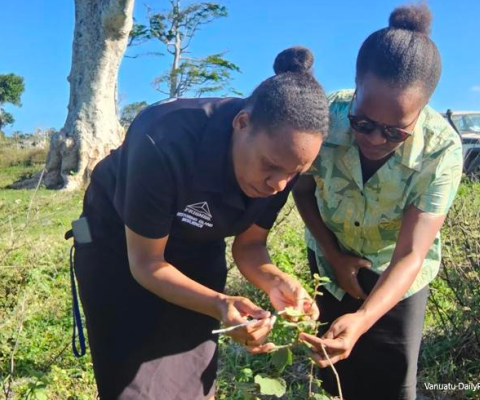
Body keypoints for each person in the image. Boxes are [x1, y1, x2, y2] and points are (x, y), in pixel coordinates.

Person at [72, 46, 329, 400]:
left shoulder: (281, 164)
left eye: (293, 173)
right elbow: (147, 263)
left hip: (196, 244)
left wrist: (277, 282)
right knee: (134, 386)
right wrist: (219, 304)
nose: (278, 185)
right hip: (119, 246)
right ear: (241, 123)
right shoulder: (163, 138)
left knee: (191, 380)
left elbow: (250, 246)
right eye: (270, 167)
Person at [294, 4, 463, 400]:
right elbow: (302, 190)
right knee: (334, 372)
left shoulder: (441, 151)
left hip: (397, 273)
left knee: (393, 380)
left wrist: (365, 317)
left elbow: (410, 253)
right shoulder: (323, 116)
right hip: (329, 261)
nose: (373, 140)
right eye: (363, 123)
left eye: (394, 133)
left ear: (421, 112)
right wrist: (333, 255)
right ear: (355, 87)